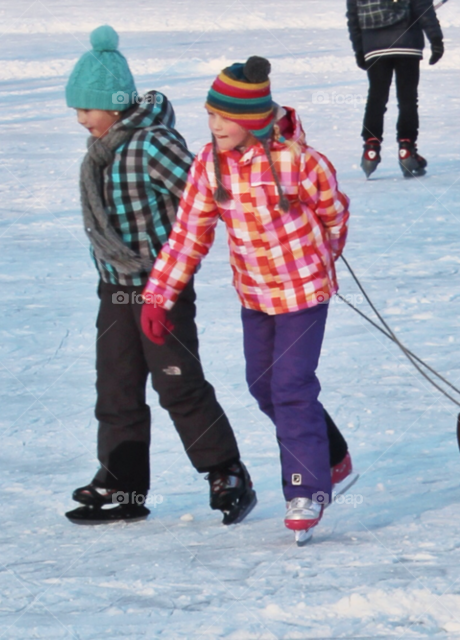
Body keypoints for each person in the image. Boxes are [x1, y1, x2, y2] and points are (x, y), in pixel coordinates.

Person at [139, 56, 355, 541]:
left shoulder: (301, 162)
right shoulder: (208, 165)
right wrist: (158, 297)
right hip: (254, 295)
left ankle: (305, 488)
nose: (214, 125)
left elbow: (335, 214)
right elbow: (187, 234)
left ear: (253, 118)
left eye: (224, 116)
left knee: (292, 386)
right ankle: (333, 456)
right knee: (263, 387)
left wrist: (322, 258)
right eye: (210, 115)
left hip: (303, 293)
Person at [63, 26, 256, 525]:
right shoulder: (101, 153)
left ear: (115, 104)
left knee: (177, 383)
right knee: (117, 388)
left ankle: (226, 472)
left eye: (88, 108)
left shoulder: (153, 145)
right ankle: (123, 486)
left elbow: (203, 195)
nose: (82, 119)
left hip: (160, 288)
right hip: (114, 291)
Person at [346, 0, 444, 178]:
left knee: (376, 97)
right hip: (407, 42)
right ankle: (406, 148)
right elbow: (423, 7)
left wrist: (360, 50)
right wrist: (436, 40)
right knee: (407, 99)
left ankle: (371, 147)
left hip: (373, 45)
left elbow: (353, 16)